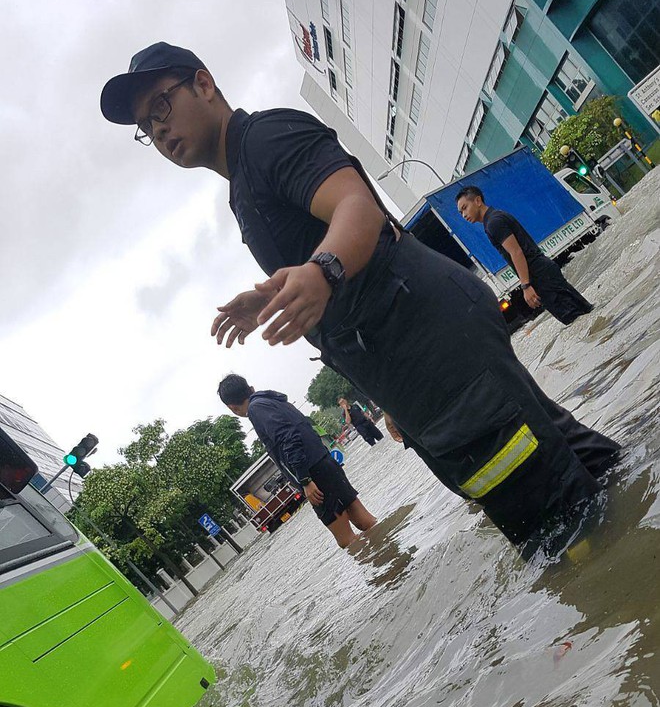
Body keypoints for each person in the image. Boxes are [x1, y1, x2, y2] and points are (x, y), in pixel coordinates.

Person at [101, 42, 620, 553]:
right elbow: (328, 261)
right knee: (587, 467)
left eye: (161, 107)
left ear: (204, 83)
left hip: (432, 349)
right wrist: (285, 297)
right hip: (419, 357)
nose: (158, 129)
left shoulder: (265, 139)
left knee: (567, 535)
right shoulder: (242, 185)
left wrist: (322, 271)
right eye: (146, 127)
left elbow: (357, 206)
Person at [217, 374, 377, 548]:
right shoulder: (274, 400)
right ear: (251, 388)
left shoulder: (256, 410)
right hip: (325, 462)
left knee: (347, 541)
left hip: (314, 476)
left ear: (232, 407)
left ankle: (386, 571)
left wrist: (305, 480)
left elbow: (289, 438)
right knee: (366, 522)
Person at [456, 186, 593, 325]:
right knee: (585, 314)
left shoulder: (493, 223)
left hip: (540, 275)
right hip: (543, 270)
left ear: (478, 201)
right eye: (460, 212)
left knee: (576, 320)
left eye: (465, 207)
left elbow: (516, 252)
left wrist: (526, 286)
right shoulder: (494, 217)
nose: (463, 215)